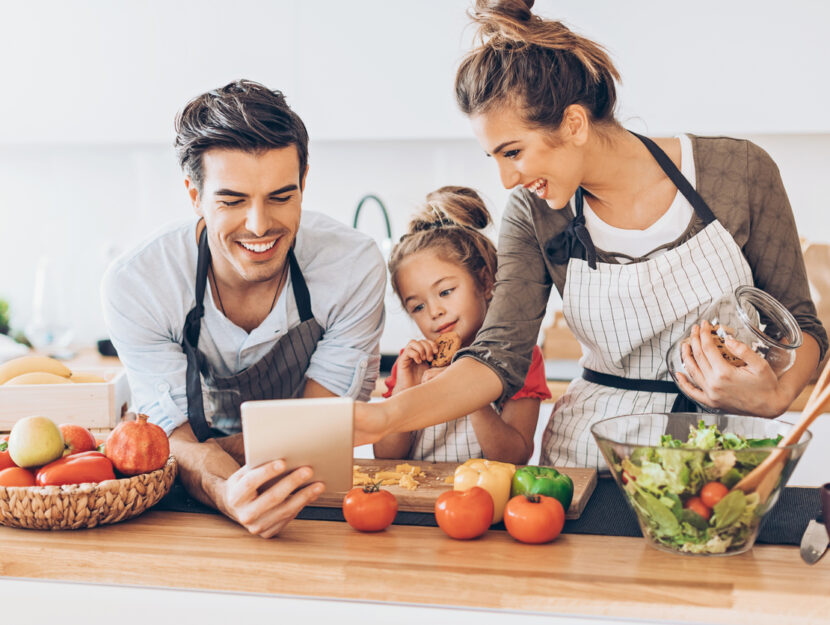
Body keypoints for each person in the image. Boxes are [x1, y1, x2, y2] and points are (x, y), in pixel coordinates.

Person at [353, 0, 828, 470]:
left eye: (513, 152)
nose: (506, 179)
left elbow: (802, 325)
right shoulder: (534, 211)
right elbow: (498, 357)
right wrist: (385, 416)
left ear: (574, 123)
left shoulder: (737, 172)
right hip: (591, 457)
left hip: (721, 457)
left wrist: (776, 396)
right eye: (494, 158)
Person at [102, 80, 386, 537]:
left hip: (315, 494)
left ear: (304, 181)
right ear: (195, 196)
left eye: (280, 196)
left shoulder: (352, 268)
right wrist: (221, 484)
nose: (259, 225)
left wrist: (208, 451)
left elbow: (318, 430)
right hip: (187, 508)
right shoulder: (139, 283)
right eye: (232, 200)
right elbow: (172, 439)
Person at [374, 186, 550, 463]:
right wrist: (405, 390)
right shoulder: (414, 364)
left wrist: (468, 392)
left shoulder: (521, 357)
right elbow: (385, 456)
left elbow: (514, 458)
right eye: (417, 307)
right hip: (420, 498)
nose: (435, 311)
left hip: (487, 499)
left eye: (445, 292)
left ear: (485, 282)